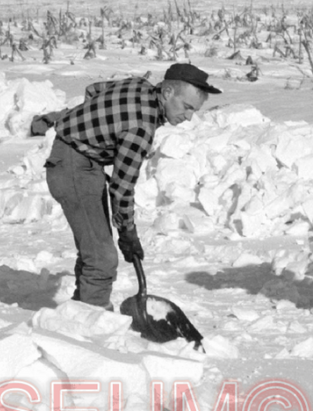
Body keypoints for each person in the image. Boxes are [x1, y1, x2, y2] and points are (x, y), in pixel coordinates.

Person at [29, 63, 220, 307]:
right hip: (73, 168)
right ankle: (91, 322)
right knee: (102, 258)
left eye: (194, 110)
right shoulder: (141, 127)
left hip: (77, 159)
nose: (189, 117)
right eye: (187, 107)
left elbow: (94, 90)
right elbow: (121, 188)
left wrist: (88, 128)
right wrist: (128, 233)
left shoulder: (138, 85)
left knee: (94, 247)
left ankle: (81, 307)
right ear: (168, 92)